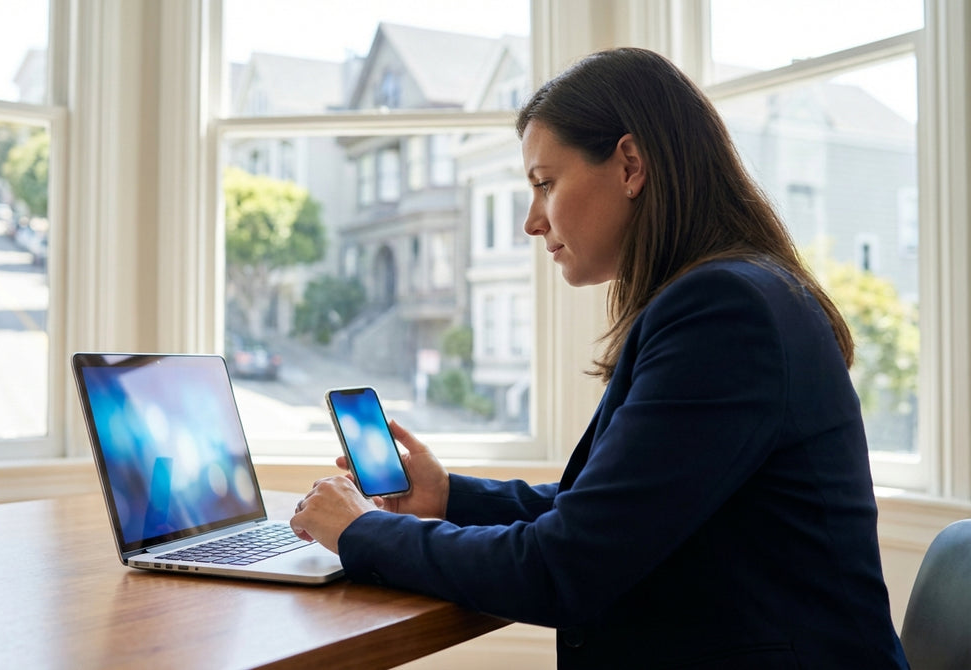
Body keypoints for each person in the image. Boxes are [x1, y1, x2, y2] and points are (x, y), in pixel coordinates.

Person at [290, 47, 908, 669]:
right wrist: (450, 497)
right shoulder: (732, 295)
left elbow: (565, 566)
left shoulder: (724, 313)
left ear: (630, 165)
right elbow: (609, 512)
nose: (533, 221)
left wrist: (362, 530)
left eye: (544, 184)